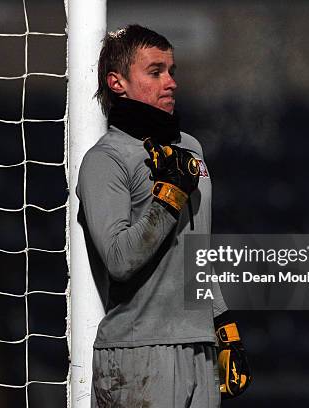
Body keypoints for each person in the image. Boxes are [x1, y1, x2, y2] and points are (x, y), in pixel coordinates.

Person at [76, 24, 251, 407]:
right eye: (155, 72)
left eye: (172, 71)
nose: (170, 82)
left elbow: (195, 251)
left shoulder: (191, 148)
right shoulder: (105, 161)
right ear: (117, 82)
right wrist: (168, 197)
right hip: (138, 351)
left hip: (199, 346)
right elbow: (120, 260)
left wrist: (221, 323)